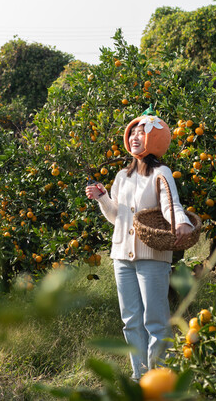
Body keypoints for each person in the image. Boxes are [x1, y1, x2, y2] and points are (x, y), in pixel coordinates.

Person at [85, 112, 194, 379]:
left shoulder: (161, 172)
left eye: (141, 132)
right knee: (131, 320)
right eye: (132, 132)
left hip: (153, 255)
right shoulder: (122, 175)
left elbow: (171, 205)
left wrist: (181, 223)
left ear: (154, 139)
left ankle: (159, 378)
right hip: (122, 255)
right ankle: (139, 377)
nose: (135, 137)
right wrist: (102, 198)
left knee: (155, 320)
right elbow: (116, 217)